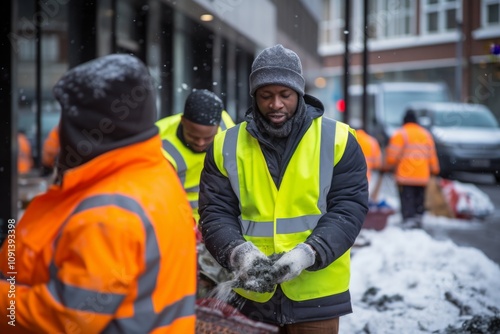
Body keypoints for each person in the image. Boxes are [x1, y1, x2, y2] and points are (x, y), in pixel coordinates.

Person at [0, 54, 197, 333]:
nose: (58, 131)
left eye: (66, 118)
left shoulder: (110, 213)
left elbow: (67, 318)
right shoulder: (153, 174)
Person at [198, 44, 369, 333]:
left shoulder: (338, 139)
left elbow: (349, 209)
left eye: (285, 95)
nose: (275, 104)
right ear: (254, 97)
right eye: (266, 96)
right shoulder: (226, 145)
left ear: (300, 94)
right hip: (252, 293)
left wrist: (310, 253)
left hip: (317, 294)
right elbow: (215, 212)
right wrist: (238, 253)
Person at [156, 89, 235, 224]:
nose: (201, 143)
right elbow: (160, 199)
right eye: (193, 136)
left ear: (218, 126)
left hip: (218, 215)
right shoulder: (158, 142)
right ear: (183, 121)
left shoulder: (227, 127)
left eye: (208, 137)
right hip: (179, 219)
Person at [383, 108, 440, 229]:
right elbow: (432, 155)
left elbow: (392, 156)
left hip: (405, 176)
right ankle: (418, 217)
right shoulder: (426, 134)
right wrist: (435, 169)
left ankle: (408, 219)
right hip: (422, 176)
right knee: (419, 198)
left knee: (407, 199)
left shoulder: (400, 133)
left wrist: (387, 166)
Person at [350, 119, 382, 183]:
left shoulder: (348, 140)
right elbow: (378, 163)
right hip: (366, 177)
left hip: (350, 177)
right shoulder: (372, 141)